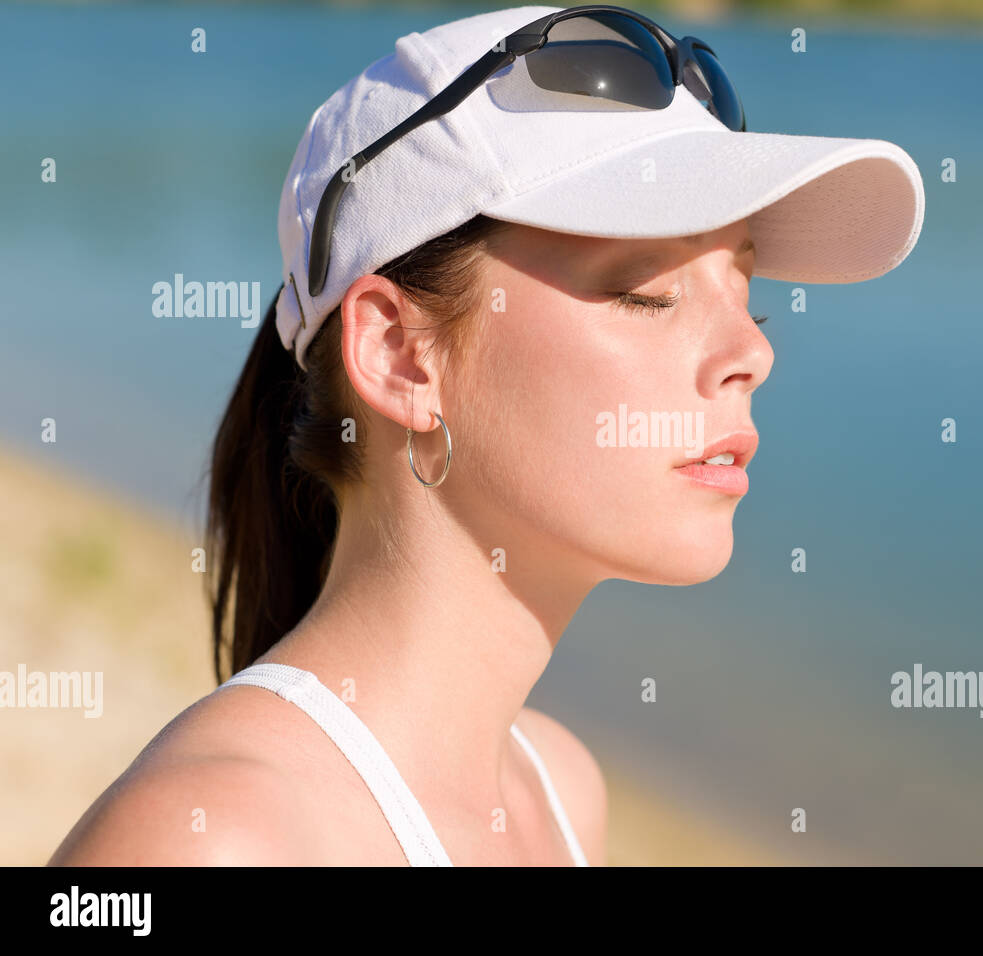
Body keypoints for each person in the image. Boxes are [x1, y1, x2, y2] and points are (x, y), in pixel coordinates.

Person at [47, 4, 923, 866]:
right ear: (398, 355)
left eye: (745, 289)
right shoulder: (211, 842)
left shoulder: (558, 788)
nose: (754, 351)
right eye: (646, 291)